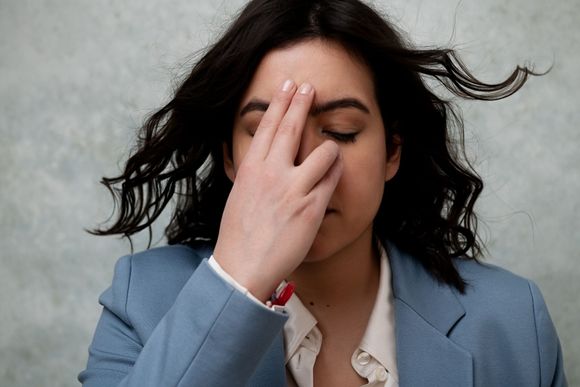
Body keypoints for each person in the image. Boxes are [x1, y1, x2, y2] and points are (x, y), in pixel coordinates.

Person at [78, 0, 567, 386]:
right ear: (229, 157)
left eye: (340, 130)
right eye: (267, 130)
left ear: (392, 151)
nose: (306, 165)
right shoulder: (140, 299)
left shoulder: (513, 320)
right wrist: (238, 280)